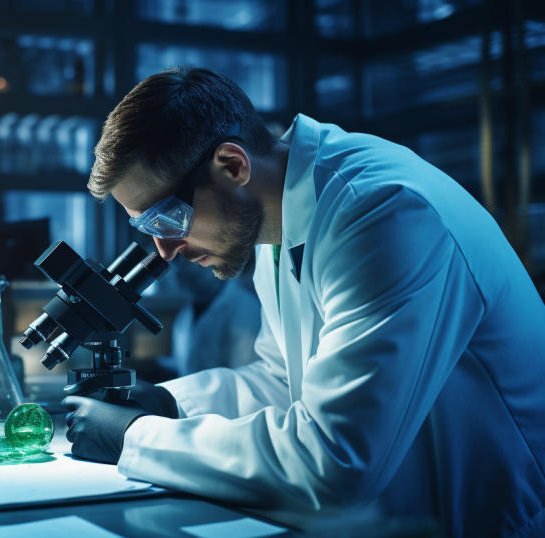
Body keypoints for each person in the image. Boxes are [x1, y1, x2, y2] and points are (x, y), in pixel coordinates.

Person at [62, 67, 545, 537]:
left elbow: (336, 463)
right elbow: (284, 381)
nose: (164, 250)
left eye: (168, 218)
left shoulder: (382, 211)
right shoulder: (279, 219)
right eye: (148, 229)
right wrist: (172, 403)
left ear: (232, 165)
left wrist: (136, 436)